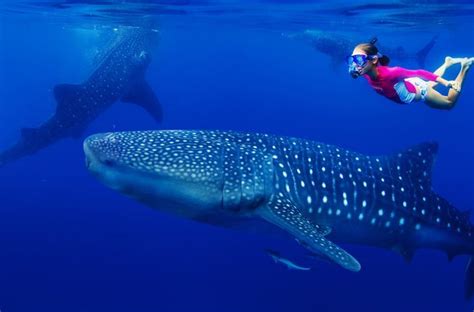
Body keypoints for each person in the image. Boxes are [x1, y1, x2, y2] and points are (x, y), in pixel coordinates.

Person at [347, 38, 473, 110]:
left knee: (448, 103)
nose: (355, 65)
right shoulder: (365, 72)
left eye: (358, 60)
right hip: (409, 85)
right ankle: (448, 62)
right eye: (352, 60)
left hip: (420, 91)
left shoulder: (392, 73)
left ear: (374, 60)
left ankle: (464, 67)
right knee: (428, 83)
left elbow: (419, 72)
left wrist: (446, 83)